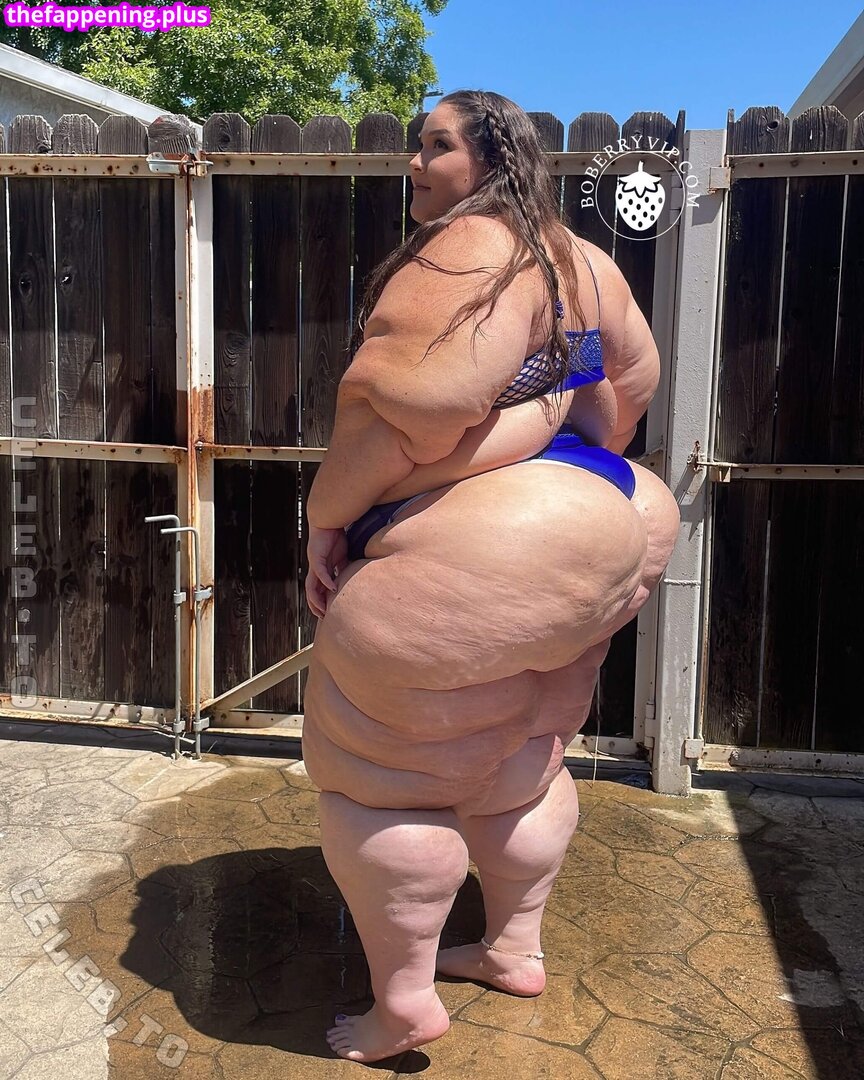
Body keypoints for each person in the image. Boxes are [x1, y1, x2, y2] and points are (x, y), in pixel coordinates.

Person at [301, 89, 680, 1063]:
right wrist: (545, 419)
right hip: (618, 513)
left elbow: (409, 408)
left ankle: (403, 1004)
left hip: (491, 541)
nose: (414, 163)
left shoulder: (470, 248)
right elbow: (627, 390)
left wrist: (326, 516)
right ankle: (512, 946)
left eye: (435, 146)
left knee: (381, 778)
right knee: (524, 749)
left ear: (492, 160)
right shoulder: (582, 259)